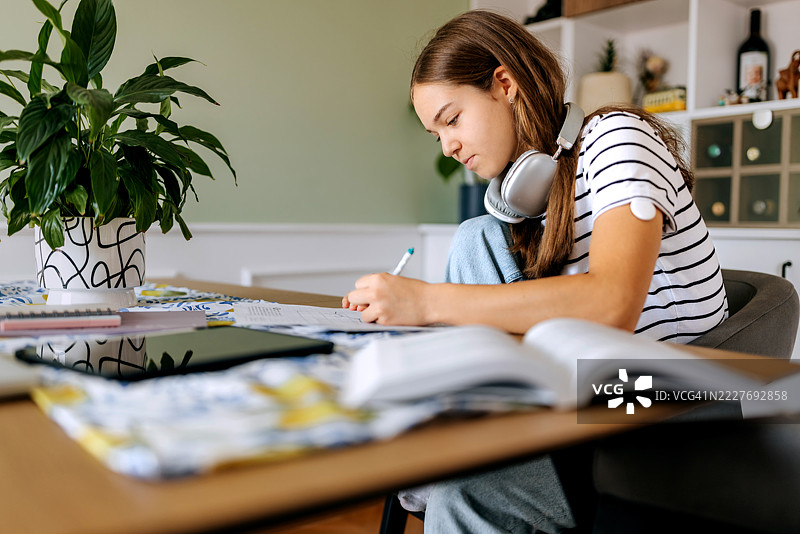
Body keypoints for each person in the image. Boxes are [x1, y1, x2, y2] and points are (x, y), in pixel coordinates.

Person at [343, 10, 728, 533]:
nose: (448, 146)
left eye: (452, 120)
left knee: (459, 487)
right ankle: (448, 441)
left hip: (661, 404)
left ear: (505, 84)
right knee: (475, 235)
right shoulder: (536, 203)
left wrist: (427, 301)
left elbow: (612, 304)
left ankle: (448, 457)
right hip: (585, 397)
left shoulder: (618, 139)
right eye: (436, 135)